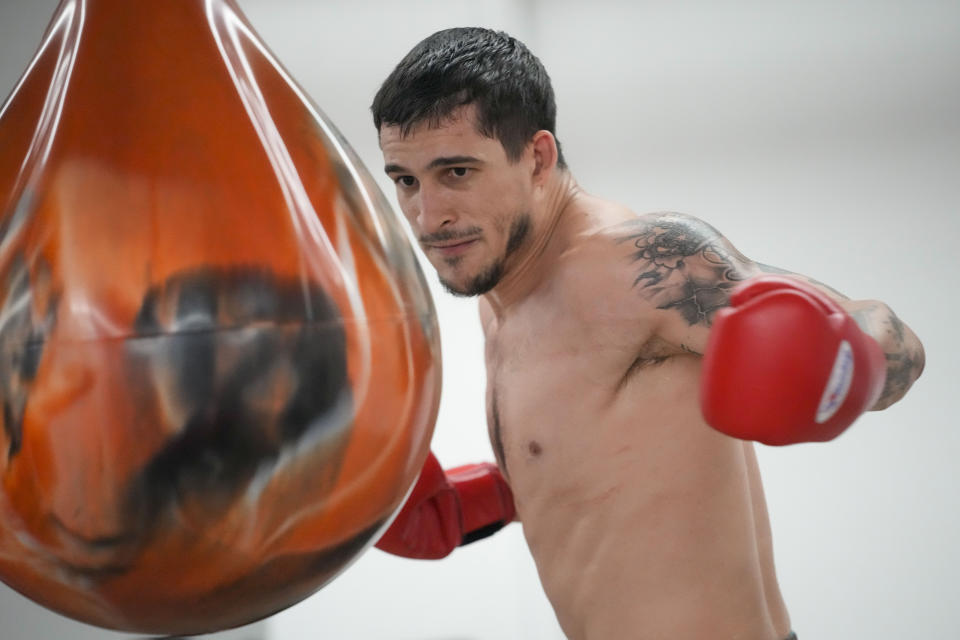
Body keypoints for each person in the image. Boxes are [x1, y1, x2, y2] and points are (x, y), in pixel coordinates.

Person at [368, 27, 925, 640]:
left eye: (457, 171)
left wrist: (845, 364)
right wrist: (471, 503)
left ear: (538, 157)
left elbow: (891, 336)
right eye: (406, 180)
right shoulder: (500, 295)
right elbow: (597, 464)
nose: (428, 215)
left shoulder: (638, 267)